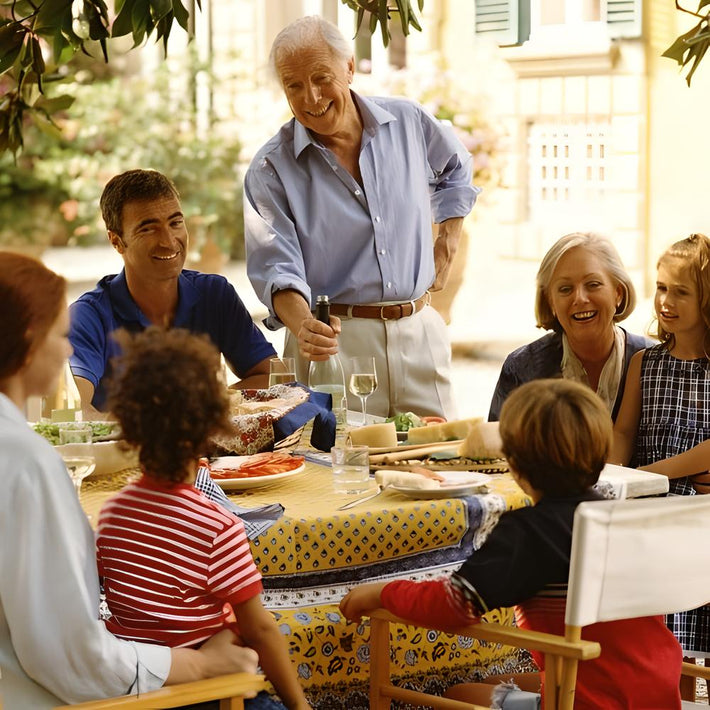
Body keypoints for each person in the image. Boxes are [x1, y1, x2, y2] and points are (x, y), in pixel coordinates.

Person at [0, 252, 259, 709]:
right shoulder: (26, 461)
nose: (66, 351)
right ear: (28, 339)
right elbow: (71, 657)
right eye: (60, 337)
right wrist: (197, 665)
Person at [340, 378, 682, 709]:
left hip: (587, 699)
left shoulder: (531, 532)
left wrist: (381, 593)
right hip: (658, 694)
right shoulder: (622, 517)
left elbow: (454, 604)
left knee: (457, 694)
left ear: (514, 466)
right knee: (497, 682)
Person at [244, 16, 479, 419]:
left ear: (349, 68)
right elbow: (276, 268)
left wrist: (449, 235)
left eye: (321, 78)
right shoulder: (271, 169)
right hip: (335, 346)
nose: (310, 98)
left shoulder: (408, 122)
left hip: (419, 330)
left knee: (442, 463)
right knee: (343, 470)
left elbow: (456, 167)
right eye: (293, 86)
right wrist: (305, 327)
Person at [95, 327, 309, 710]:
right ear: (210, 430)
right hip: (205, 692)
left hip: (141, 688)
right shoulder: (217, 527)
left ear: (129, 427)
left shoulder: (111, 515)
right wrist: (300, 706)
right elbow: (259, 629)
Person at [69, 169, 276, 418]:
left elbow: (274, 377)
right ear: (116, 241)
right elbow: (77, 412)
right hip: (124, 453)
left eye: (175, 223)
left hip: (211, 454)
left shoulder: (215, 295)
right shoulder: (88, 315)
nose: (168, 241)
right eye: (148, 229)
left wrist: (203, 405)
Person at [611, 233, 710, 667]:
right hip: (649, 519)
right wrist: (612, 481)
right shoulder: (643, 363)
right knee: (657, 649)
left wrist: (648, 476)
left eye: (681, 292)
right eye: (661, 287)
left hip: (700, 520)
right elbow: (622, 434)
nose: (665, 301)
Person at [488, 232, 651, 422]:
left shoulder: (656, 363)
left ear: (618, 293)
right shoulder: (522, 368)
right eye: (565, 289)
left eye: (593, 284)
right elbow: (495, 449)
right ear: (551, 302)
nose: (580, 298)